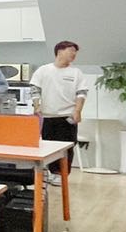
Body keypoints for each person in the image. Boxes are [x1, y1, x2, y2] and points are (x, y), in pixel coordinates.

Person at [31, 39, 88, 173]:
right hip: (48, 116)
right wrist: (36, 106)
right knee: (48, 147)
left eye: (75, 52)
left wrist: (78, 111)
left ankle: (63, 175)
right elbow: (35, 89)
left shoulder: (76, 72)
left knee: (67, 148)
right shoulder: (43, 70)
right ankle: (51, 173)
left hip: (67, 117)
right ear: (59, 51)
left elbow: (81, 93)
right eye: (71, 50)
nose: (74, 54)